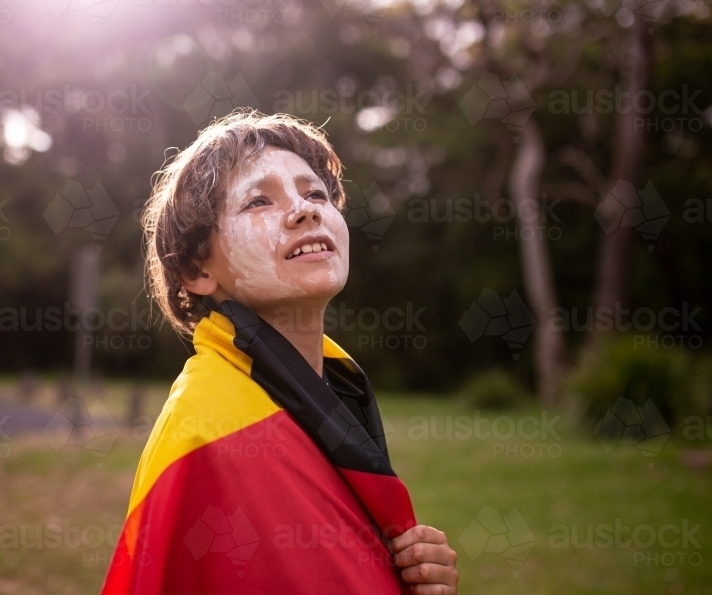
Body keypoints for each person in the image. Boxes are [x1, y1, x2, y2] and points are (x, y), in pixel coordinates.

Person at [102, 110, 458, 594]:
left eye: (316, 193)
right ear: (196, 270)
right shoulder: (202, 432)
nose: (305, 210)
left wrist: (407, 577)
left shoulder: (336, 390)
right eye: (258, 201)